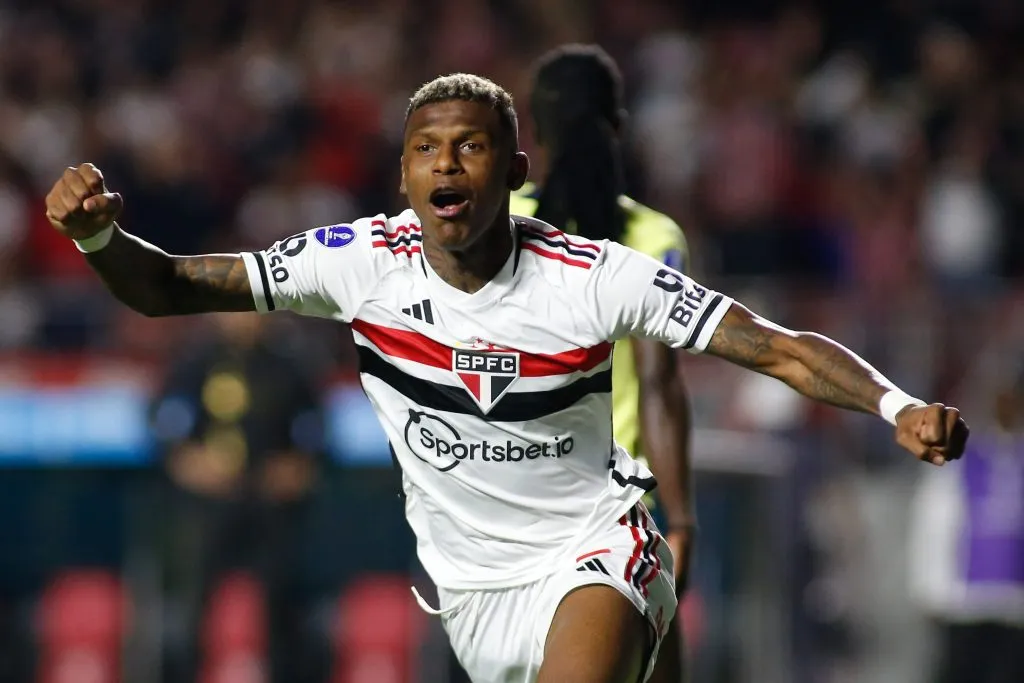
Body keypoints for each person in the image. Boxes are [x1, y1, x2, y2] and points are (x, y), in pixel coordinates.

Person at [45, 73, 968, 683]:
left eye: (473, 146)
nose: (448, 163)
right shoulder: (356, 261)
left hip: (594, 552)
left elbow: (771, 343)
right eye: (426, 149)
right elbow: (167, 287)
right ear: (403, 174)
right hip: (470, 591)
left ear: (515, 169)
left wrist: (895, 403)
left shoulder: (595, 276)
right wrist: (96, 236)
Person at [510, 44, 695, 682]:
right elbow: (658, 385)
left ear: (533, 132)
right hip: (615, 516)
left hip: (504, 503)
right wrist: (683, 516)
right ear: (617, 125)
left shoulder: (499, 225)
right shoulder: (652, 238)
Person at [150, 311, 327, 683]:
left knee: (281, 604)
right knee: (191, 606)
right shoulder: (193, 361)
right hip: (207, 506)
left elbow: (317, 427)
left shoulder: (289, 364)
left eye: (249, 307)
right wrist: (185, 460)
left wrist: (299, 464)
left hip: (270, 503)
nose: (241, 318)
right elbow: (161, 421)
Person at [909, 362, 1024, 683]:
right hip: (964, 603)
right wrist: (930, 587)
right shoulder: (961, 458)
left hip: (1014, 607)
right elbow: (935, 524)